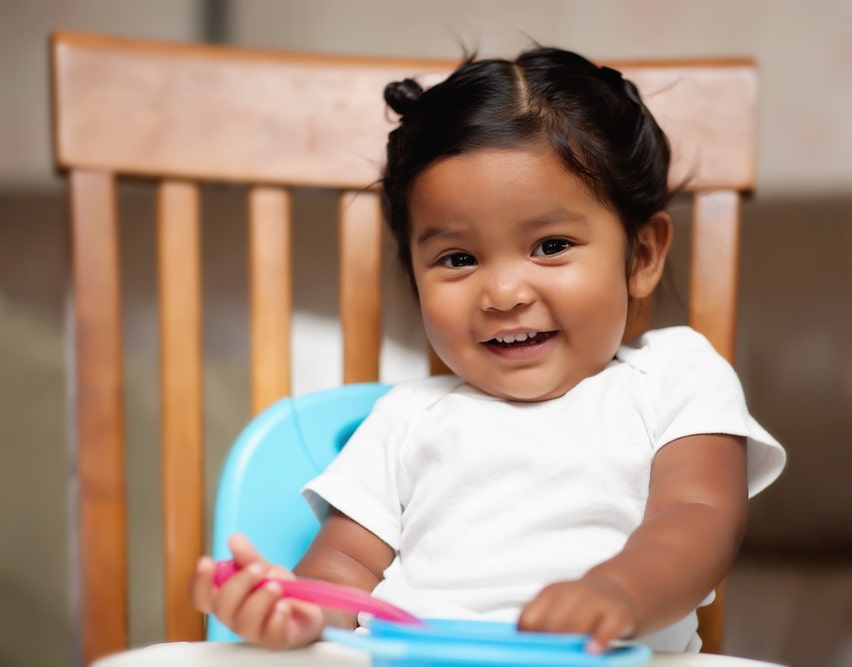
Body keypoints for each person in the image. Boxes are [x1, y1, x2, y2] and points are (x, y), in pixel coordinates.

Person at [190, 46, 786, 655]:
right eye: (457, 259)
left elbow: (698, 519)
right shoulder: (404, 419)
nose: (503, 293)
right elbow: (340, 573)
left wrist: (621, 592)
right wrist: (295, 615)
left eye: (552, 245)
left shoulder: (674, 376)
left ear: (641, 255)